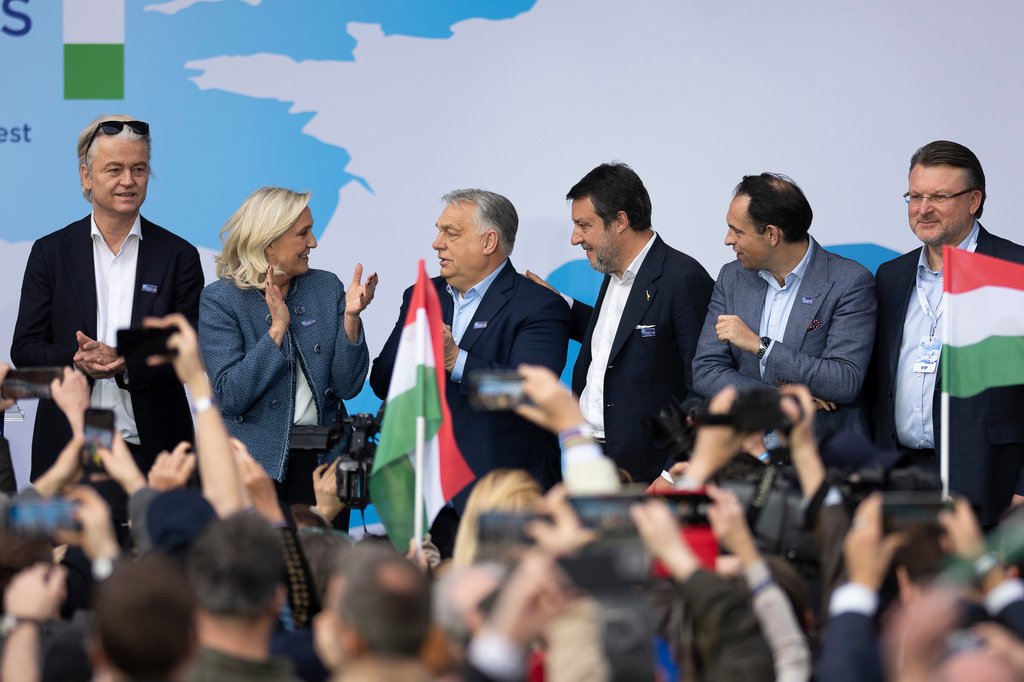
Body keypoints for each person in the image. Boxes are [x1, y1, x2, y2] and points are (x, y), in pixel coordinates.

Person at [11, 114, 204, 480]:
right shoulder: (51, 252)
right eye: (114, 169)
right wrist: (77, 357)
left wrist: (126, 357)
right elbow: (24, 348)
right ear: (86, 176)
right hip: (70, 452)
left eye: (139, 169)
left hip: (156, 455)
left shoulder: (178, 254)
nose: (128, 181)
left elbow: (190, 346)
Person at [370, 189, 570, 518]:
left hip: (501, 497)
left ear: (489, 242)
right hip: (422, 497)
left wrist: (456, 361)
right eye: (438, 231)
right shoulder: (422, 294)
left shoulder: (538, 305)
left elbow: (530, 396)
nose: (437, 243)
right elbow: (382, 382)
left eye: (451, 233)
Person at [528, 162, 714, 485]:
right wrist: (561, 306)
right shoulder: (613, 271)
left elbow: (705, 385)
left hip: (648, 474)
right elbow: (617, 339)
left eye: (584, 225)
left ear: (620, 222)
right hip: (592, 462)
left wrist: (674, 472)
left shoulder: (682, 278)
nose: (575, 238)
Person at [871, 141, 1024, 525]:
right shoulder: (890, 276)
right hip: (901, 478)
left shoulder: (1015, 270)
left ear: (974, 200)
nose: (923, 209)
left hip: (991, 483)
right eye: (915, 195)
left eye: (939, 196)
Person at [198, 186, 376, 507]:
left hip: (324, 462)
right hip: (252, 468)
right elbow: (230, 397)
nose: (314, 242)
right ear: (269, 245)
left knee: (322, 555)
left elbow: (347, 387)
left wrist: (351, 317)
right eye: (303, 234)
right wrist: (276, 331)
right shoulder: (220, 300)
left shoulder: (325, 286)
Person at [692, 172, 876, 438]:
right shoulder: (732, 277)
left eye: (737, 231)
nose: (728, 239)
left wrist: (760, 346)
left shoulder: (849, 281)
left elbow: (844, 380)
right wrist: (781, 403)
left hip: (824, 457)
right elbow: (706, 371)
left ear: (771, 234)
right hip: (747, 456)